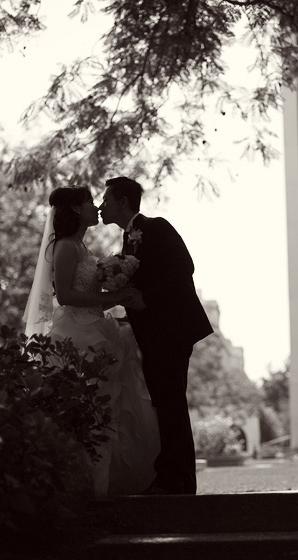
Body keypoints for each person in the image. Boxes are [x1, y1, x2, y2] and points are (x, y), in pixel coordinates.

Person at [23, 186, 160, 498]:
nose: (95, 206)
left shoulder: (81, 247)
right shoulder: (66, 248)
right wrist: (112, 296)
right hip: (78, 332)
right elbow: (66, 296)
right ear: (74, 210)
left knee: (111, 407)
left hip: (98, 327)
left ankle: (107, 482)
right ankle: (89, 484)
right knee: (93, 406)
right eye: (87, 202)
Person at [99, 176, 214, 495]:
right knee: (165, 403)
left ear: (123, 202)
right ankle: (173, 477)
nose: (100, 205)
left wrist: (145, 298)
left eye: (106, 199)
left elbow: (183, 268)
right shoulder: (126, 241)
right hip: (151, 334)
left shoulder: (157, 227)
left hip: (172, 330)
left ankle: (177, 480)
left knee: (172, 401)